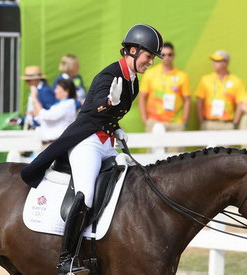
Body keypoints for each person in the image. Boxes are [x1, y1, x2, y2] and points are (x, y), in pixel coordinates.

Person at [20, 24, 163, 275]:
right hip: (86, 141)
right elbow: (94, 108)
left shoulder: (133, 82)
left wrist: (115, 128)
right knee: (85, 195)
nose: (150, 62)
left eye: (152, 58)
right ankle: (67, 259)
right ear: (132, 50)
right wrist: (109, 102)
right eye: (149, 56)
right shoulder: (108, 76)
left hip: (106, 143)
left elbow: (111, 115)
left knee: (134, 181)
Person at [139, 42, 190, 152]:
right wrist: (145, 118)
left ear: (174, 55)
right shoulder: (150, 73)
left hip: (176, 122)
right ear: (159, 56)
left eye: (169, 54)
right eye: (163, 54)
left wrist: (184, 120)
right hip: (155, 121)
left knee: (176, 159)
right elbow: (142, 97)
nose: (166, 57)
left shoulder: (182, 75)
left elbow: (187, 100)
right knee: (154, 159)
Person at [195, 50, 245, 130]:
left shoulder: (236, 81)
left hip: (227, 124)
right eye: (213, 60)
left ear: (225, 63)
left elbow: (241, 103)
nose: (213, 63)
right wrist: (202, 121)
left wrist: (235, 122)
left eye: (217, 61)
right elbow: (199, 101)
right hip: (209, 123)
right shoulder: (205, 79)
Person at [30, 79, 78, 149]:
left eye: (58, 88)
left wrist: (35, 98)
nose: (55, 91)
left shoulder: (68, 104)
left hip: (56, 144)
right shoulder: (59, 105)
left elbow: (47, 116)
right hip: (50, 144)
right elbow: (43, 119)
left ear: (66, 90)